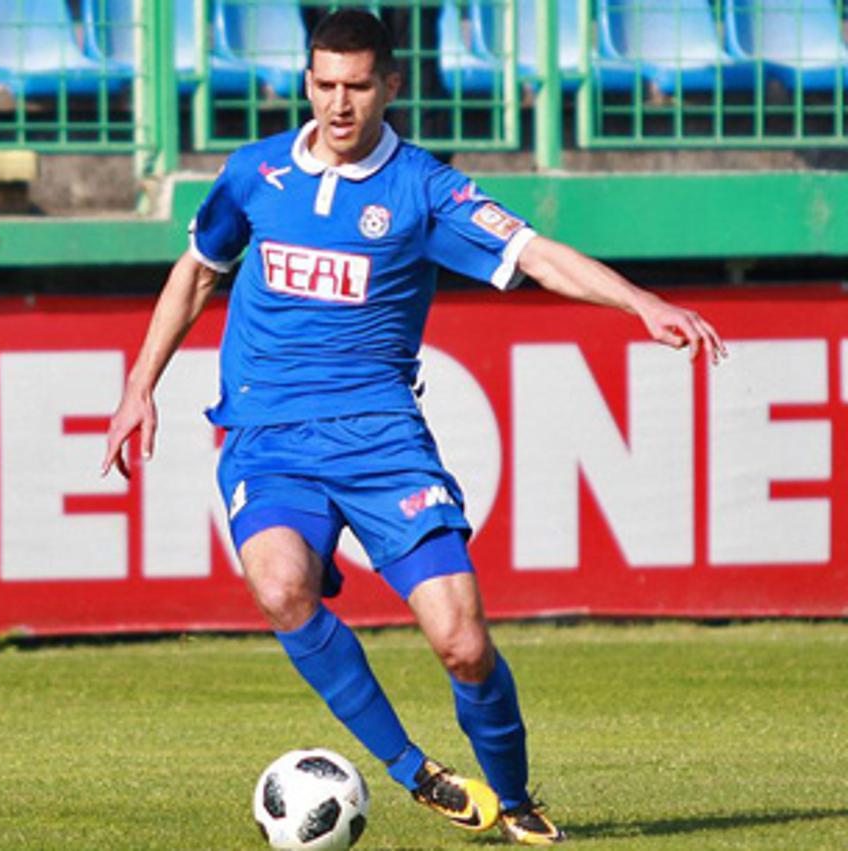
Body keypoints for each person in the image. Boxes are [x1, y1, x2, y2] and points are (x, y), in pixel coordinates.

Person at [103, 9, 724, 847]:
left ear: (391, 85)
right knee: (280, 586)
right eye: (326, 84)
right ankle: (413, 769)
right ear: (307, 81)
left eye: (358, 86)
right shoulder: (255, 173)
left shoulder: (424, 189)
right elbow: (198, 270)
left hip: (382, 443)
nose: (340, 103)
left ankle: (515, 798)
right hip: (269, 438)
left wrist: (640, 303)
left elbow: (534, 253)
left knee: (463, 643)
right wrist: (139, 385)